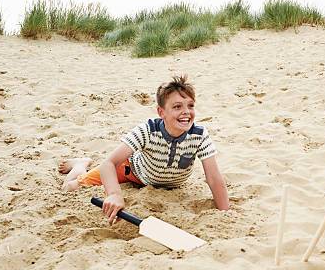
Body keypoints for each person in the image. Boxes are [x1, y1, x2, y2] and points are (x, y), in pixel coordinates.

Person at [58, 75, 229, 223]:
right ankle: (80, 165)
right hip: (131, 171)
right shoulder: (148, 129)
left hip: (165, 184)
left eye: (190, 105)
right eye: (177, 107)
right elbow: (108, 164)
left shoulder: (199, 135)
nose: (186, 112)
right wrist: (114, 195)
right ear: (161, 112)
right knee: (70, 187)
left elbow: (214, 179)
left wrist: (225, 213)